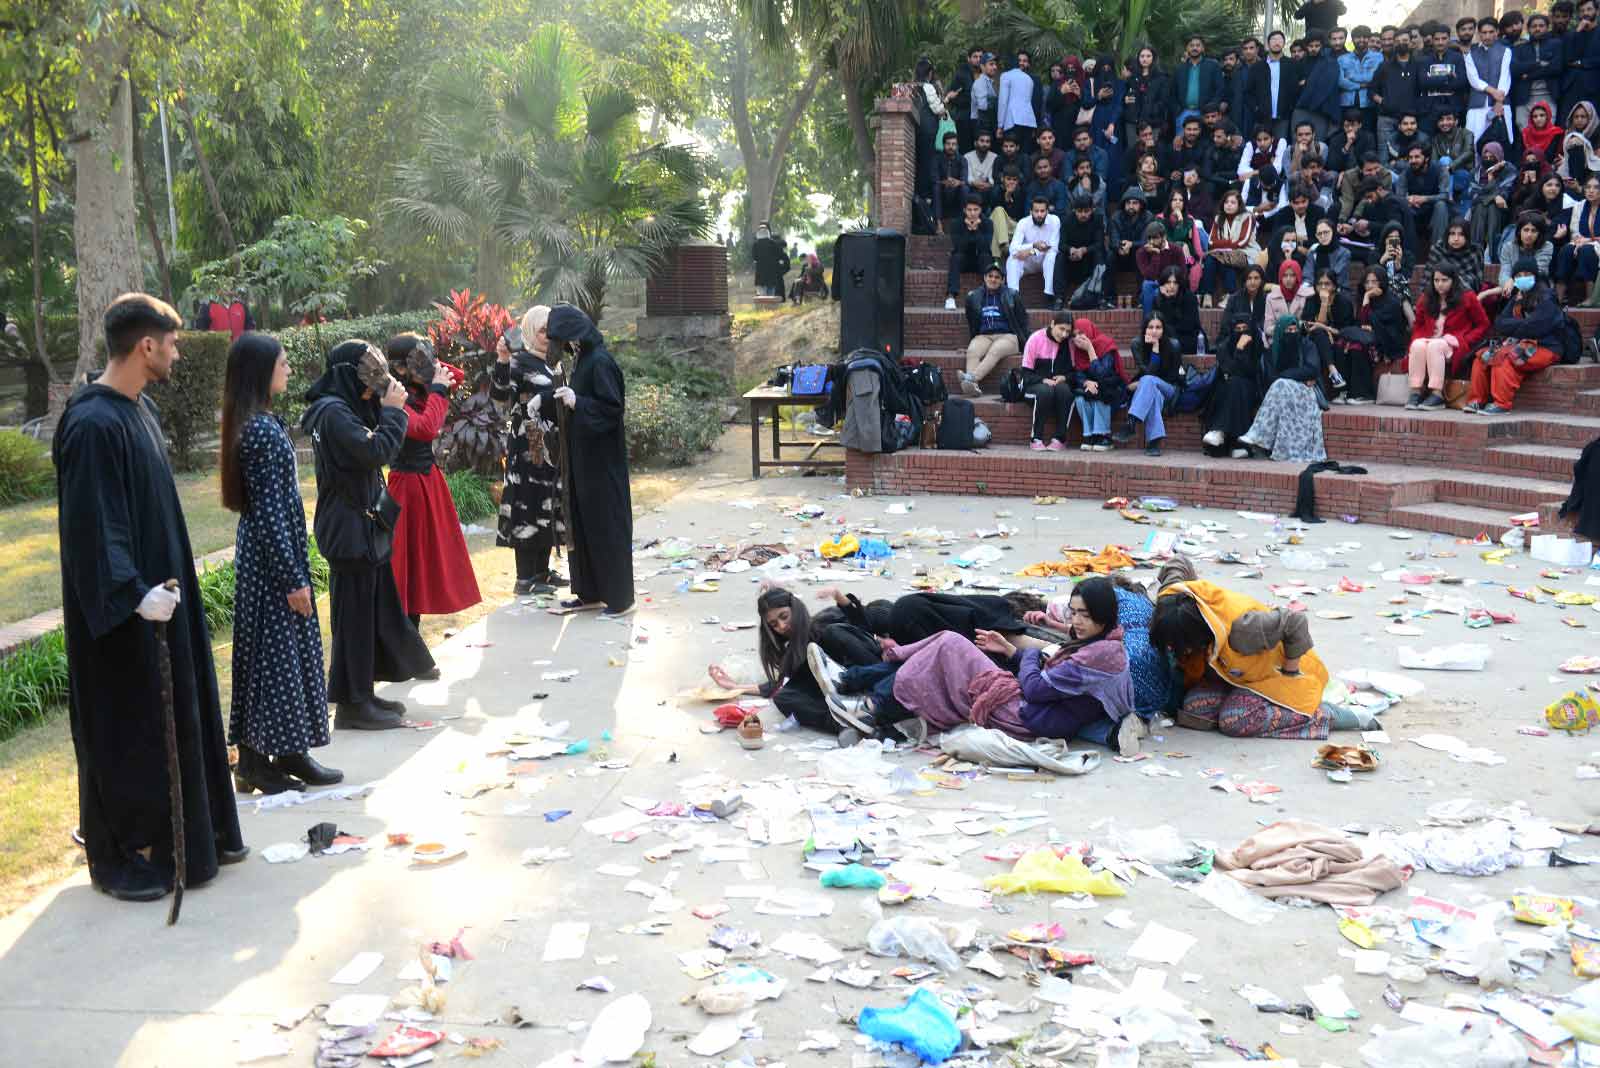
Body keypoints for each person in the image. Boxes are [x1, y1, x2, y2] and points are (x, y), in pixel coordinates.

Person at [53, 293, 247, 900]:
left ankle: (189, 837)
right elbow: (92, 526)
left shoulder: (140, 409)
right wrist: (132, 594)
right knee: (129, 729)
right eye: (172, 344)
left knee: (176, 716)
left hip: (163, 599)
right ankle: (126, 855)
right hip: (123, 616)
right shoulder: (92, 424)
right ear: (145, 347)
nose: (178, 353)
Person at [219, 331, 341, 796]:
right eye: (282, 363)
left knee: (281, 654)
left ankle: (289, 752)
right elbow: (270, 512)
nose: (289, 369)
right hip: (271, 562)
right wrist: (293, 579)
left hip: (268, 554)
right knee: (273, 658)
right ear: (260, 372)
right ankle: (254, 761)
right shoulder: (261, 432)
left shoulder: (258, 423)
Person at [302, 340, 436, 729]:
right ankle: (352, 705)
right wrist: (393, 412)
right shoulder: (331, 413)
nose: (375, 382)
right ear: (348, 375)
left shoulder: (343, 407)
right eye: (369, 375)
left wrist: (386, 402)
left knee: (371, 613)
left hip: (362, 526)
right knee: (354, 620)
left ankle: (364, 692)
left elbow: (374, 431)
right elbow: (376, 451)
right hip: (348, 529)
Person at [838, 578, 1133, 746]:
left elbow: (1036, 690)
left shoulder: (1100, 655)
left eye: (1085, 615)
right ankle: (871, 702)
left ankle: (872, 703)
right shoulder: (1105, 643)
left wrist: (1029, 655)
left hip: (1024, 716)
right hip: (1034, 710)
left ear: (1104, 616)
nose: (1077, 621)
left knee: (950, 646)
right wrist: (1010, 651)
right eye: (1074, 613)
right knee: (948, 649)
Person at [1150, 557, 1331, 739]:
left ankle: (1321, 716)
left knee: (1234, 721)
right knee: (1195, 707)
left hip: (1279, 676)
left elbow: (1295, 622)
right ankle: (1242, 703)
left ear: (1197, 636)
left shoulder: (1243, 630)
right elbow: (1178, 563)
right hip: (1238, 678)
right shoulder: (1173, 601)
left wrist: (1289, 676)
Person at [384, 333, 480, 628]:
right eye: (419, 360)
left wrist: (430, 365)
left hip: (428, 482)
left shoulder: (417, 386)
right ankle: (405, 633)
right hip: (406, 487)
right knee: (407, 565)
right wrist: (436, 387)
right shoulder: (391, 397)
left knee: (427, 561)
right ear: (401, 368)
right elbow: (425, 429)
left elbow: (457, 376)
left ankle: (412, 633)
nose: (429, 366)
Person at [545, 306, 635, 616]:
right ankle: (590, 592)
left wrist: (578, 402)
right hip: (583, 460)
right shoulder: (584, 359)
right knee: (584, 525)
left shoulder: (600, 361)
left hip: (603, 462)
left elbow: (612, 409)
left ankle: (620, 599)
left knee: (606, 525)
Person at [708, 586, 881, 736]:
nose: (782, 626)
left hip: (871, 677)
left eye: (784, 616)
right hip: (845, 694)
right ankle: (846, 724)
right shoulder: (793, 652)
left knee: (833, 632)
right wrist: (735, 687)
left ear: (795, 609)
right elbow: (782, 684)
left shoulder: (826, 621)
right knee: (784, 697)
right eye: (774, 624)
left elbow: (862, 624)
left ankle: (876, 702)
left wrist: (838, 595)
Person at [492, 306, 567, 595]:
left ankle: (542, 572)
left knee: (548, 505)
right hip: (528, 448)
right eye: (542, 330)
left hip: (552, 448)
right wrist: (502, 359)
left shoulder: (553, 362)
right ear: (530, 332)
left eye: (551, 330)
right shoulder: (519, 362)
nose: (548, 336)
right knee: (527, 506)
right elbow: (500, 396)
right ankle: (525, 579)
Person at [1467, 258, 1563, 414]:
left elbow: (1535, 328)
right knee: (1482, 357)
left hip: (1546, 347)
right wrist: (1522, 325)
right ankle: (1477, 400)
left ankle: (1502, 404)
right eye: (1518, 275)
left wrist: (1515, 327)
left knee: (1506, 357)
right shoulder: (1517, 297)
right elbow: (1500, 323)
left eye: (1527, 274)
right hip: (1519, 342)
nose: (1522, 278)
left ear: (1535, 276)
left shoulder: (1547, 297)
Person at [1239, 315, 1326, 461]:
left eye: (1294, 330)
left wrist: (1285, 375)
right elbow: (1270, 378)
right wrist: (1296, 376)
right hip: (1281, 394)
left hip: (1306, 392)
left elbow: (1312, 369)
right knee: (1281, 385)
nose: (1292, 333)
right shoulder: (1272, 352)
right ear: (1280, 331)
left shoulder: (1307, 345)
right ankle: (1263, 439)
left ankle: (1258, 435)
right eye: (1288, 330)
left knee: (1281, 383)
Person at [1407, 268, 1490, 409]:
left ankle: (1437, 394)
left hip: (1455, 344)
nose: (1439, 284)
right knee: (1417, 345)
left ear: (1453, 280)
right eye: (1436, 280)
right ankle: (1415, 391)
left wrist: (1465, 340)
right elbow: (1418, 325)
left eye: (1444, 280)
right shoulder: (1426, 298)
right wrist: (1417, 338)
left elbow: (1483, 325)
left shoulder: (1467, 297)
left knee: (1435, 346)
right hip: (1430, 340)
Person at [1202, 312, 1266, 457]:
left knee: (1238, 384)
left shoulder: (1257, 346)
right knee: (1235, 383)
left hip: (1251, 388)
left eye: (1245, 328)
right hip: (1226, 387)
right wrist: (1238, 349)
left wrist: (1241, 350)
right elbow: (1231, 370)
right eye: (1238, 329)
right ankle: (1238, 441)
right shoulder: (1224, 347)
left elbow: (1249, 371)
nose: (1242, 333)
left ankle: (1219, 431)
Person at [1120, 313, 1184, 456]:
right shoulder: (1137, 344)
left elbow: (1173, 377)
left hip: (1169, 387)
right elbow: (1147, 372)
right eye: (1150, 327)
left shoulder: (1173, 345)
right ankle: (1154, 443)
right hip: (1150, 387)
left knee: (1148, 380)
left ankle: (1132, 421)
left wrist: (1156, 347)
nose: (1154, 331)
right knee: (1153, 393)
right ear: (1145, 329)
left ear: (1164, 329)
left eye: (1158, 327)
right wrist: (1155, 350)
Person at [960, 262, 1029, 395]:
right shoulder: (974, 296)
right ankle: (972, 387)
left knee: (995, 350)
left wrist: (1026, 344)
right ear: (985, 278)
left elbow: (1023, 321)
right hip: (984, 335)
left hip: (1008, 336)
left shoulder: (1012, 295)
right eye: (990, 276)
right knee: (972, 351)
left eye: (997, 277)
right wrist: (973, 339)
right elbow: (972, 321)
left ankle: (971, 378)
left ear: (1002, 280)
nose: (993, 279)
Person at [1067, 316, 1128, 450]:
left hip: (1112, 390)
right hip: (1093, 389)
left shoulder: (1105, 344)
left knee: (1099, 395)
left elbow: (1103, 375)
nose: (1078, 338)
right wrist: (1086, 382)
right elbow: (1078, 375)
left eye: (1081, 333)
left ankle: (1102, 436)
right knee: (1080, 398)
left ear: (1089, 331)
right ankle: (1089, 436)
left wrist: (1090, 349)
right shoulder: (1077, 352)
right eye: (1074, 335)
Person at [1019, 312, 1076, 450]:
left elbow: (1075, 373)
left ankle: (1060, 438)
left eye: (1068, 331)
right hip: (1033, 386)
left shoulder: (1069, 344)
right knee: (1045, 391)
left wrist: (1065, 377)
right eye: (1061, 329)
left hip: (1057, 387)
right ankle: (1036, 438)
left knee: (1065, 391)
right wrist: (1043, 380)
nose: (1064, 334)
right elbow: (1026, 374)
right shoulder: (1035, 339)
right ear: (1052, 324)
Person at [1201, 189, 1260, 304]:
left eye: (1233, 203)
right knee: (1210, 259)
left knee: (1227, 260)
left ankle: (1230, 295)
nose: (1229, 205)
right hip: (1223, 253)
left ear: (1239, 205)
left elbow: (1242, 242)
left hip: (1245, 252)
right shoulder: (1218, 218)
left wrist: (1222, 244)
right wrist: (1228, 244)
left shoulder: (1247, 217)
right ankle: (1207, 295)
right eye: (1226, 202)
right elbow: (1211, 242)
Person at [1466, 17, 1513, 144]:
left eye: (1491, 32)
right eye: (1484, 32)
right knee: (1474, 141)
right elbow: (1473, 79)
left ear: (1497, 32)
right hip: (1477, 104)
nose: (1487, 36)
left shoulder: (1505, 51)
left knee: (1501, 142)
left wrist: (1499, 101)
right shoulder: (1471, 53)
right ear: (1479, 34)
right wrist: (1493, 91)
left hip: (1501, 103)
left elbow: (1505, 77)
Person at [1556, 175, 1600, 304]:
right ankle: (1558, 297)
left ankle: (1590, 298)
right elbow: (1574, 230)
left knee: (1587, 250)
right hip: (1581, 242)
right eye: (1588, 187)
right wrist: (1578, 241)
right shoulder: (1579, 206)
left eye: (1596, 187)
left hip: (1596, 245)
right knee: (1566, 250)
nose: (1591, 191)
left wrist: (1589, 241)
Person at [945, 196, 993, 309]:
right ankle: (951, 297)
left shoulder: (987, 223)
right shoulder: (956, 223)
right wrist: (968, 230)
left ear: (980, 210)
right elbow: (959, 246)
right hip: (963, 260)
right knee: (955, 257)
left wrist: (976, 230)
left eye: (975, 210)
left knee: (986, 256)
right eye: (969, 210)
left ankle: (988, 295)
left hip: (980, 260)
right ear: (964, 210)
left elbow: (985, 247)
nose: (972, 213)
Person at [1470, 142, 1515, 253]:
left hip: (1503, 211)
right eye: (1485, 158)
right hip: (1479, 208)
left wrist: (1491, 180)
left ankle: (1491, 252)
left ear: (1499, 157)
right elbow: (1474, 195)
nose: (1488, 160)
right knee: (1481, 207)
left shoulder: (1509, 170)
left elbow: (1506, 195)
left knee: (1492, 208)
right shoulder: (1476, 172)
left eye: (1492, 157)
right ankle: (1477, 251)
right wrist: (1495, 196)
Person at [1426, 217, 1485, 293]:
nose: (1456, 239)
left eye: (1461, 234)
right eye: (1452, 234)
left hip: (1467, 293)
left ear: (1467, 236)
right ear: (1447, 235)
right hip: (1439, 294)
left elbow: (1478, 282)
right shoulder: (1438, 250)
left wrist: (1458, 282)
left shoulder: (1475, 250)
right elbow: (1428, 279)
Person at [998, 50, 1039, 150]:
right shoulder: (1029, 79)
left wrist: (1000, 125)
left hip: (1012, 121)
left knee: (1011, 152)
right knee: (1025, 152)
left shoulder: (1005, 75)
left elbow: (1003, 102)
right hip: (1028, 121)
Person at [1264, 257, 1312, 325]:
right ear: (1280, 277)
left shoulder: (1307, 295)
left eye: (1292, 275)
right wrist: (1282, 328)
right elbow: (1267, 327)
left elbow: (1309, 324)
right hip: (1278, 332)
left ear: (1298, 277)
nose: (1288, 279)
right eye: (1285, 275)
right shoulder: (1271, 297)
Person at [1306, 217, 1351, 289]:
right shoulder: (1313, 253)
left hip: (1337, 290)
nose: (1323, 236)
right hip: (1316, 289)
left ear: (1333, 232)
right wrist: (1307, 286)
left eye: (1326, 232)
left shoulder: (1344, 253)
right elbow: (1308, 275)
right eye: (1319, 234)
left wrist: (1324, 288)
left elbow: (1338, 277)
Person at [1223, 263, 1270, 330]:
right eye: (1249, 278)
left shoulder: (1267, 299)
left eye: (1256, 278)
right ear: (1245, 281)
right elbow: (1226, 324)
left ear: (1262, 280)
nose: (1252, 282)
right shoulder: (1234, 299)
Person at [752, 223, 789, 297]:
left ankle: (764, 304)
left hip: (761, 274)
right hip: (772, 274)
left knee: (762, 296)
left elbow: (754, 257)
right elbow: (781, 256)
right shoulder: (773, 244)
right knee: (771, 296)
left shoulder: (755, 245)